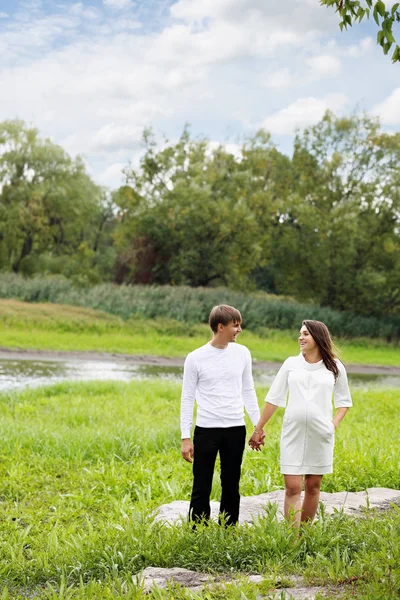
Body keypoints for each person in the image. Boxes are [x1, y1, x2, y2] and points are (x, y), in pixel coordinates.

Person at [249, 319, 352, 527]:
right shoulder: (291, 364)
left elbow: (344, 402)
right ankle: (292, 540)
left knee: (313, 486)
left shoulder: (334, 366)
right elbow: (274, 398)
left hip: (321, 434)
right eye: (300, 334)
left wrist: (332, 426)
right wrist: (258, 429)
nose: (300, 338)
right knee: (292, 487)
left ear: (317, 337)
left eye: (305, 334)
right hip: (293, 433)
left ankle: (304, 534)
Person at [180, 304, 262, 527]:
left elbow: (248, 390)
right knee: (202, 484)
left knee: (231, 482)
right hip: (206, 429)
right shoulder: (195, 358)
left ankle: (228, 528)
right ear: (220, 326)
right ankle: (198, 530)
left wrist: (258, 424)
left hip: (235, 429)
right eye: (235, 326)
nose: (239, 330)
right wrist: (185, 437)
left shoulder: (243, 353)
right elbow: (187, 398)